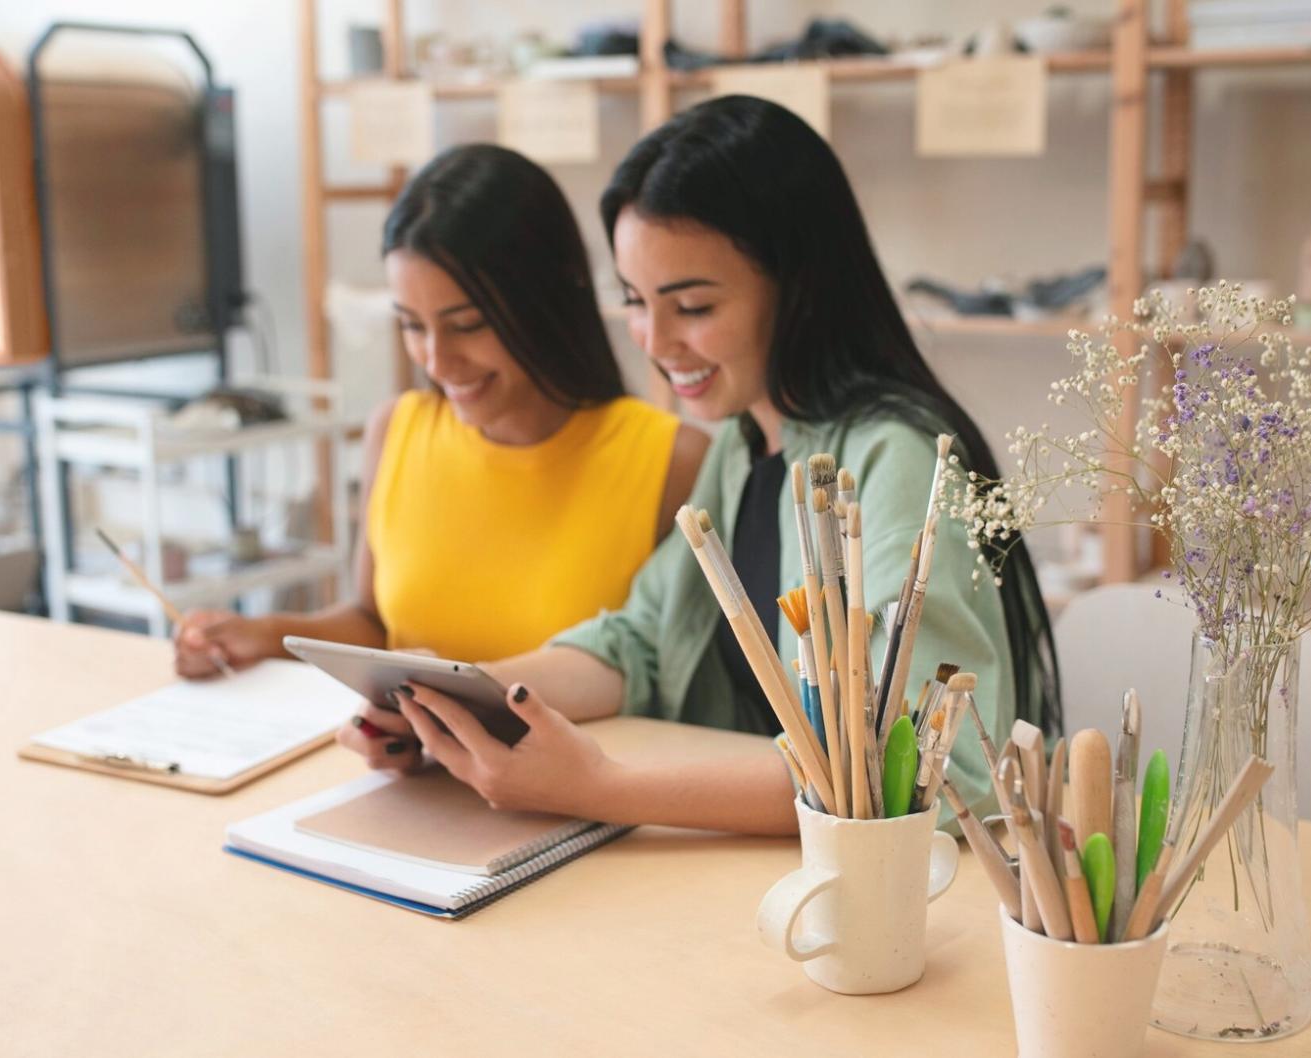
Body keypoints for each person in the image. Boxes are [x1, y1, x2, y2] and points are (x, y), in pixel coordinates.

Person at [341, 98, 1060, 833]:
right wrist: (457, 700)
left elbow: (918, 767)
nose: (655, 342)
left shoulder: (894, 458)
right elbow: (639, 644)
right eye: (635, 301)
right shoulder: (745, 446)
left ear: (798, 285)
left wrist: (602, 789)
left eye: (691, 307)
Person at [173, 145, 707, 700]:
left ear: (547, 300)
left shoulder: (672, 461)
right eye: (411, 325)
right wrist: (262, 635)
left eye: (467, 324)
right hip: (413, 754)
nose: (436, 359)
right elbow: (373, 623)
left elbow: (669, 680)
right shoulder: (396, 430)